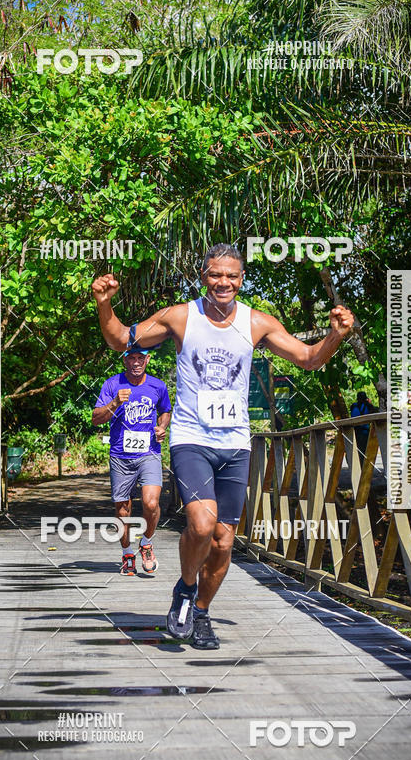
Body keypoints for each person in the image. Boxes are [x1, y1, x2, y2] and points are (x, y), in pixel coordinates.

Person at [92, 243, 354, 649]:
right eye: (216, 275)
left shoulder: (257, 323)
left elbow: (307, 357)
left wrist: (335, 336)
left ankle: (199, 612)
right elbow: (120, 340)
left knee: (224, 540)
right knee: (200, 523)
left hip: (235, 443)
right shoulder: (181, 317)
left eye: (231, 276)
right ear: (204, 276)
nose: (223, 283)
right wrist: (104, 304)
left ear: (241, 279)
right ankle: (183, 589)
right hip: (191, 439)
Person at [91, 344, 172, 576]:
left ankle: (146, 543)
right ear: (124, 361)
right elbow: (96, 419)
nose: (136, 362)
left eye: (140, 358)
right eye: (131, 358)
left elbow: (165, 410)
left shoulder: (158, 385)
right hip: (120, 455)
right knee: (123, 510)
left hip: (149, 452)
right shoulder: (112, 384)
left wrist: (162, 427)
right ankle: (127, 553)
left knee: (151, 503)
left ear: (147, 360)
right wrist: (115, 402)